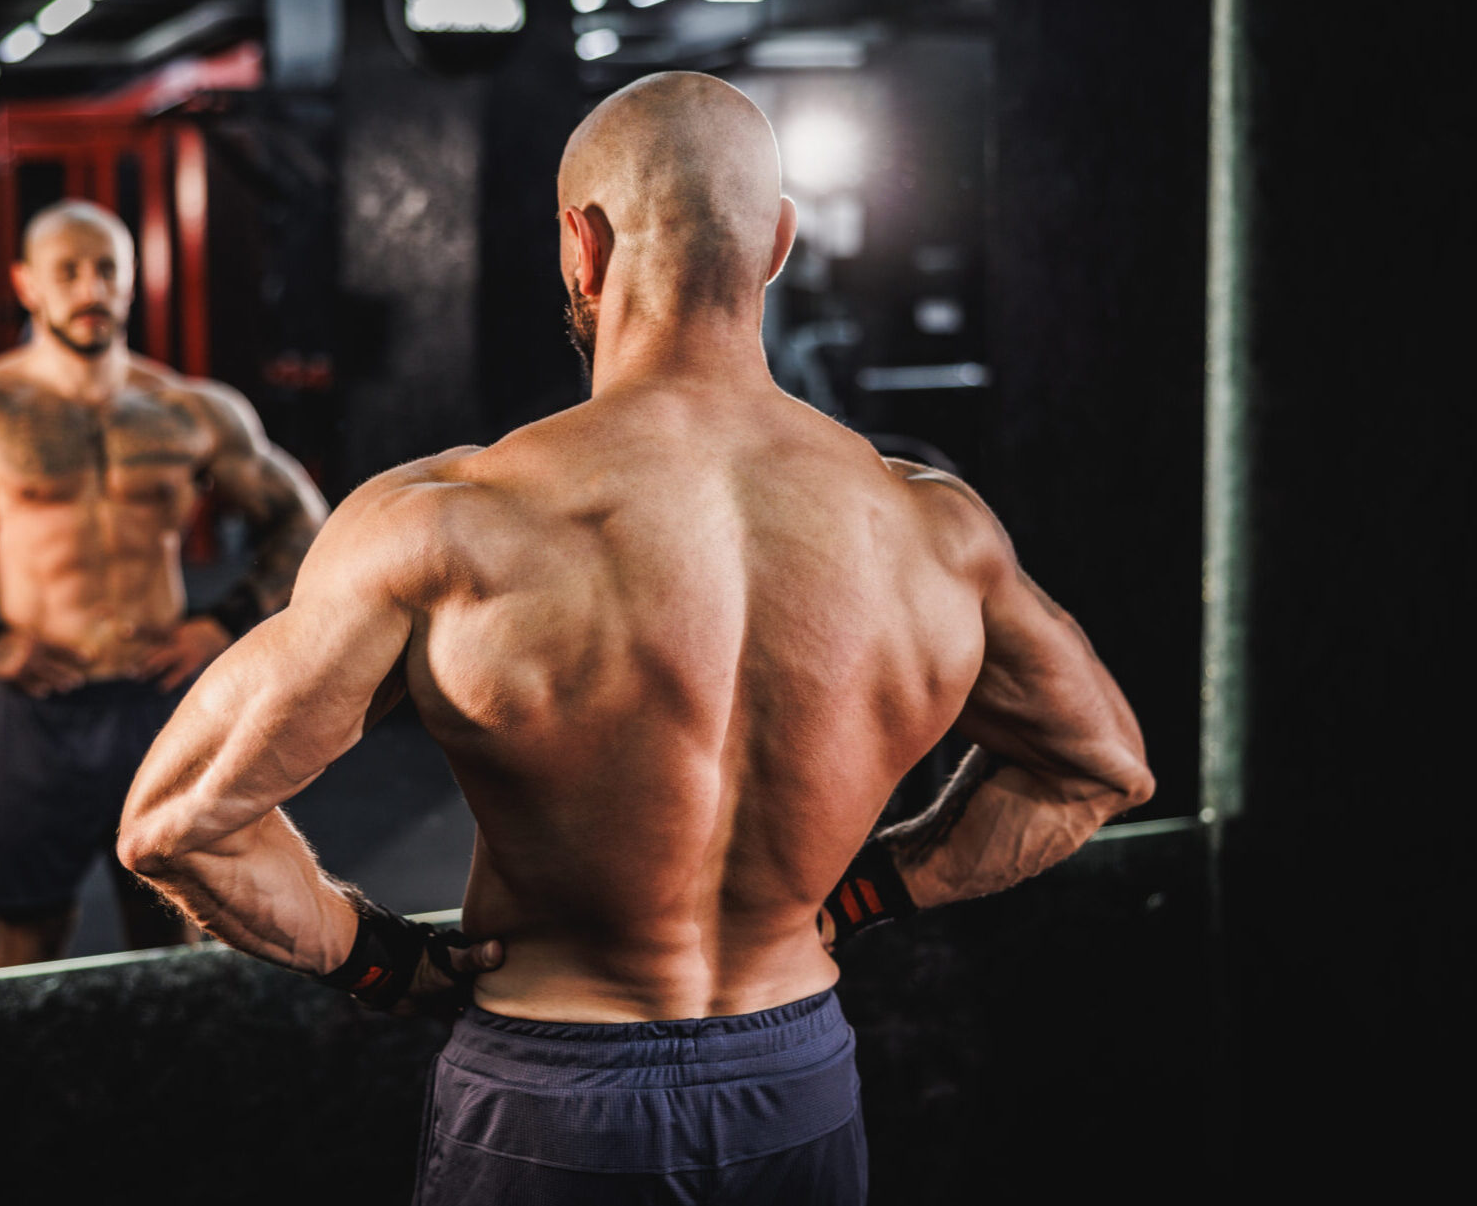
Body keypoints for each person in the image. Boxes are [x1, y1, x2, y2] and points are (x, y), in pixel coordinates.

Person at [116, 73, 1154, 1203]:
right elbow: (1096, 768)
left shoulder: (449, 524)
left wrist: (379, 958)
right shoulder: (934, 531)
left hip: (554, 1100)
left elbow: (178, 823)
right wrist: (864, 895)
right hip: (797, 1082)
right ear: (778, 246)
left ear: (581, 243)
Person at [0, 198, 328, 969]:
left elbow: (305, 518)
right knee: (29, 932)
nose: (91, 287)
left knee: (171, 933)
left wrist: (227, 619)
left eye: (107, 268)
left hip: (159, 702)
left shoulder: (190, 409)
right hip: (39, 710)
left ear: (130, 280)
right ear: (26, 283)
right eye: (70, 270)